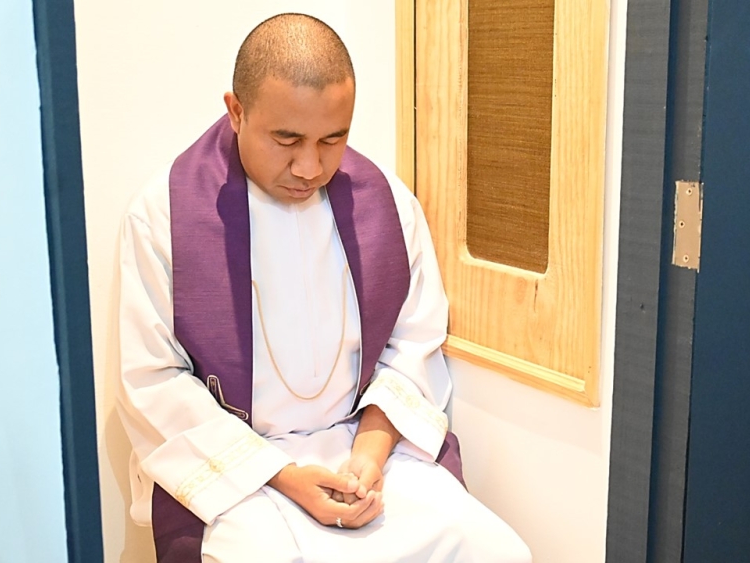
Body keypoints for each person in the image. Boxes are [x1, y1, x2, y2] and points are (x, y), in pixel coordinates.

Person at [116, 12, 533, 563]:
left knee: (493, 547)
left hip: (365, 446)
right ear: (236, 112)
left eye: (333, 139)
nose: (310, 167)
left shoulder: (387, 204)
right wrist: (283, 475)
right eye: (286, 140)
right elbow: (154, 381)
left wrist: (370, 453)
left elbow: (413, 345)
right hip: (241, 469)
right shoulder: (165, 215)